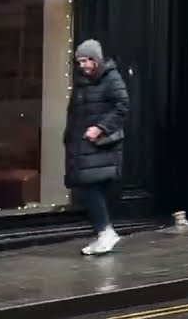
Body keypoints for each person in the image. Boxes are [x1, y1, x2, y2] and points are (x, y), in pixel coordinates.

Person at [65, 39, 129, 256]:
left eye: (86, 61)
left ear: (96, 59)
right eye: (79, 61)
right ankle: (104, 233)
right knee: (90, 189)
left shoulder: (111, 78)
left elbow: (123, 107)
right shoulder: (83, 80)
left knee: (90, 188)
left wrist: (100, 128)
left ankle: (105, 233)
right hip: (82, 145)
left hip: (99, 145)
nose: (82, 65)